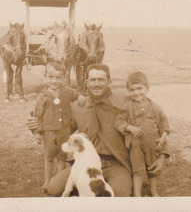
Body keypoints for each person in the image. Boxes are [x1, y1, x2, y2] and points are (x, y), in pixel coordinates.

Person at [28, 64, 168, 196]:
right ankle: (88, 187)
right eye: (93, 80)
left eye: (101, 80)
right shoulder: (78, 106)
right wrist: (37, 127)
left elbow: (152, 125)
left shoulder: (124, 102)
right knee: (54, 188)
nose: (96, 84)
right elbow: (62, 130)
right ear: (87, 82)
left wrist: (162, 155)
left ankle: (95, 187)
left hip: (117, 164)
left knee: (120, 193)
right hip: (86, 162)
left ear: (109, 81)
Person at [30, 61, 85, 192]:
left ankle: (58, 181)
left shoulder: (67, 91)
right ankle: (47, 180)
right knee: (49, 157)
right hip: (48, 132)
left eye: (58, 78)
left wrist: (81, 96)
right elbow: (37, 116)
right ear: (45, 76)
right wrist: (37, 133)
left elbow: (76, 95)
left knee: (62, 156)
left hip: (64, 131)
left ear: (64, 78)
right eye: (51, 77)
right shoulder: (43, 96)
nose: (54, 81)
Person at [114, 72, 170, 197]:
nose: (136, 92)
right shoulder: (127, 106)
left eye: (140, 88)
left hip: (153, 143)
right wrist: (130, 127)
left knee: (152, 169)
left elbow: (164, 124)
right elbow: (118, 121)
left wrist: (163, 137)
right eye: (132, 90)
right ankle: (137, 194)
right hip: (136, 144)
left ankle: (154, 190)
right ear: (128, 91)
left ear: (147, 88)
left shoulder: (155, 106)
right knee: (138, 170)